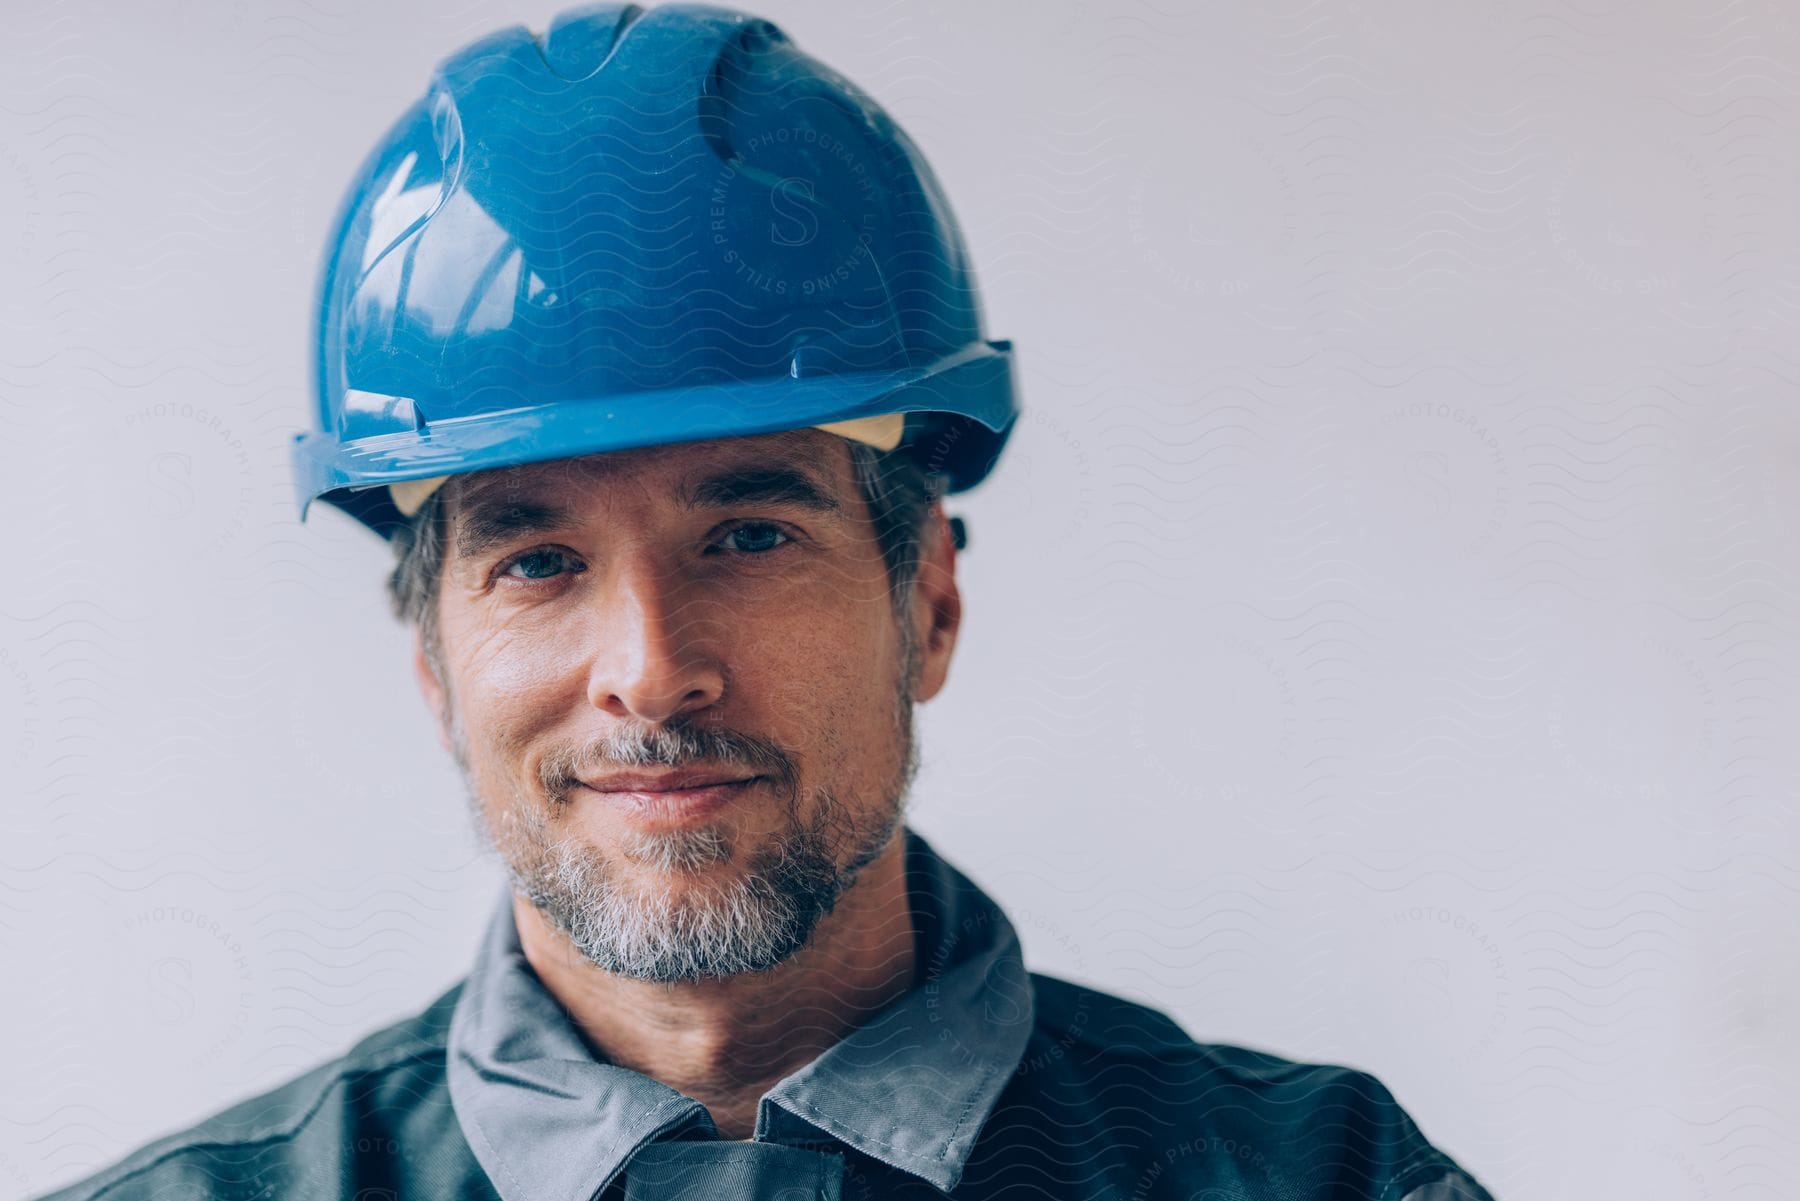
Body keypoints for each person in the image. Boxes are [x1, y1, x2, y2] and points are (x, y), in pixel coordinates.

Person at [37, 5, 1497, 1199]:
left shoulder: (1325, 1181)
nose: (652, 670)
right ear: (436, 668)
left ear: (924, 600)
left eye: (746, 532)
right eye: (536, 559)